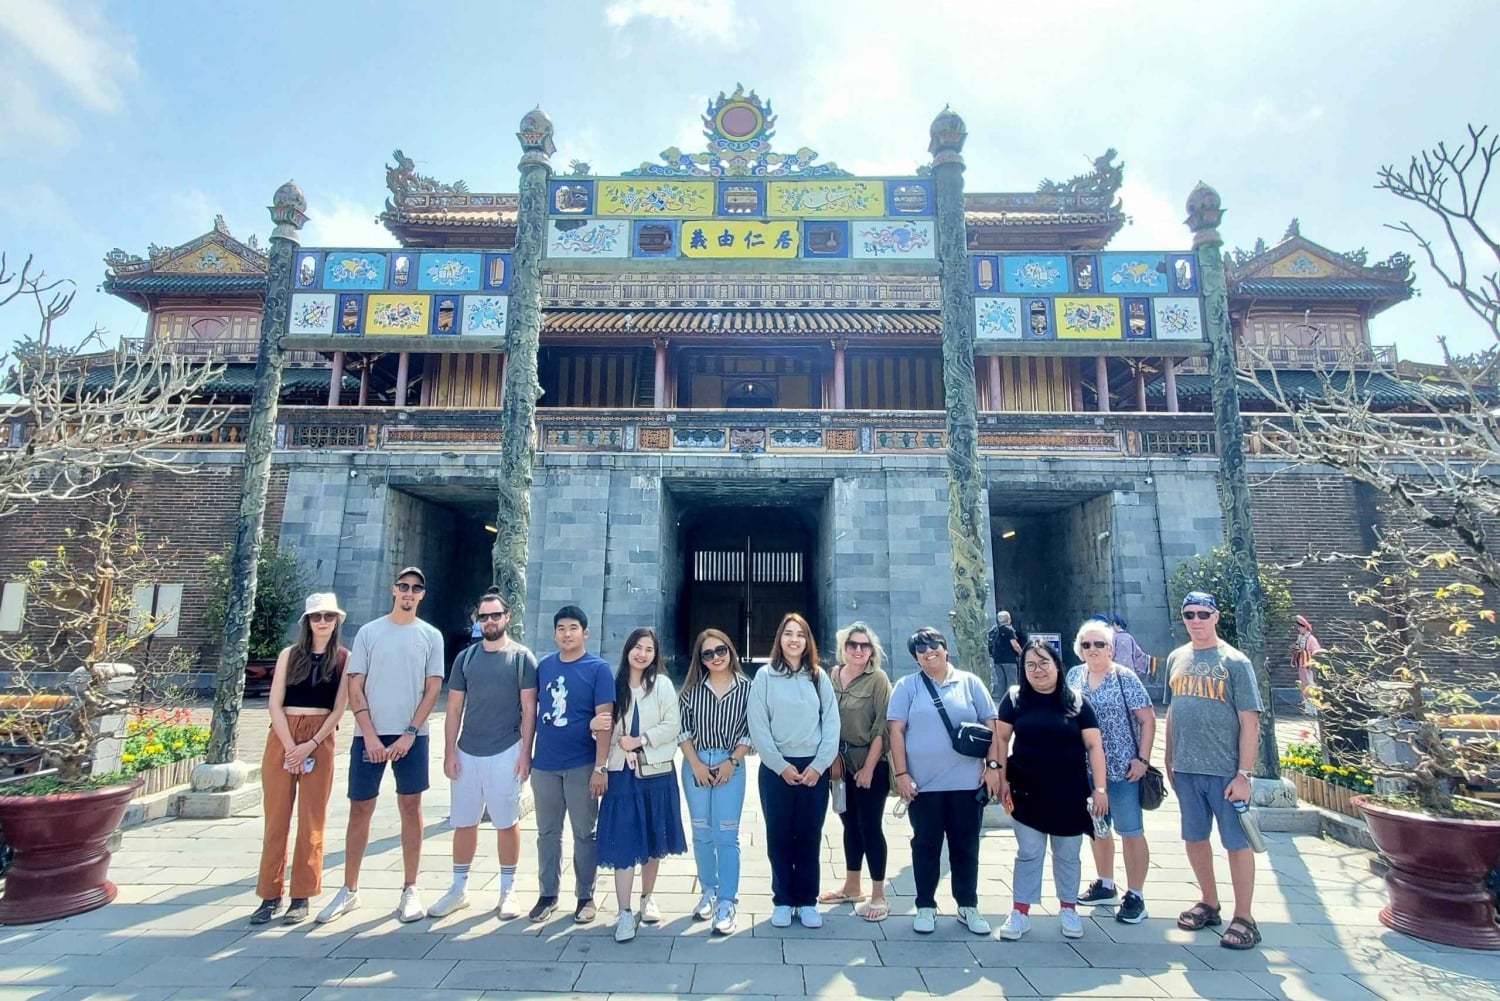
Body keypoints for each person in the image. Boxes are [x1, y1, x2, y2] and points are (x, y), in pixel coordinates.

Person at [317, 567, 445, 925]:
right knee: (360, 808)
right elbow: (355, 684)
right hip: (368, 734)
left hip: (412, 736)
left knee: (410, 805)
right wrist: (369, 733)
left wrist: (409, 733)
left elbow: (432, 688)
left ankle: (410, 887)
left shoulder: (430, 635)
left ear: (422, 595)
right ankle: (349, 888)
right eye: (403, 586)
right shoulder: (370, 633)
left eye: (416, 588)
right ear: (394, 589)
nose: (408, 593)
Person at [428, 592, 537, 921]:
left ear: (507, 616)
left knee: (507, 822)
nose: (489, 621)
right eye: (483, 617)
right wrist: (449, 752)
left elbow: (529, 710)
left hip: (507, 749)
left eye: (495, 615)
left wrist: (526, 753)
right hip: (468, 751)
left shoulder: (522, 658)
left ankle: (508, 889)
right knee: (464, 822)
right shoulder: (466, 659)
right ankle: (458, 888)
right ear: (477, 619)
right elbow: (454, 708)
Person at [887, 626, 1002, 936]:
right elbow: (895, 731)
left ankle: (968, 904)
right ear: (915, 658)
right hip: (924, 786)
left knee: (966, 846)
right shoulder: (907, 686)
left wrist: (994, 767)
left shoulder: (970, 683)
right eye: (920, 650)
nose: (928, 652)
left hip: (967, 783)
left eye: (933, 645)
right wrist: (901, 774)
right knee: (925, 845)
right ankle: (925, 905)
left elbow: (991, 725)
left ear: (945, 647)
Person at [1165, 591, 1264, 951]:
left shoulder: (1235, 662)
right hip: (1187, 768)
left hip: (1225, 770)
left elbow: (1249, 720)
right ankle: (1209, 901)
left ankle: (1245, 916)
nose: (1195, 621)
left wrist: (1244, 774)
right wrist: (1168, 756)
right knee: (1194, 838)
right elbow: (1174, 709)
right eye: (1188, 614)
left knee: (1236, 843)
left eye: (1202, 614)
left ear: (1215, 616)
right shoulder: (1177, 657)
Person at [995, 639, 1109, 941]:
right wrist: (999, 776)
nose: (1038, 670)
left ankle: (1068, 908)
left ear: (1057, 665)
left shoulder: (1076, 701)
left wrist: (1100, 788)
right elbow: (1001, 740)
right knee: (1029, 852)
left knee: (1068, 854)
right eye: (1030, 665)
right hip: (1026, 790)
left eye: (1044, 662)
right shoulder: (1015, 698)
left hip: (1069, 792)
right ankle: (1020, 911)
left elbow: (1094, 745)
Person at [252, 593, 351, 925]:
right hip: (283, 734)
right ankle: (269, 894)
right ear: (307, 622)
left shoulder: (342, 658)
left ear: (336, 621)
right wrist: (289, 744)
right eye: (316, 616)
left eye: (328, 616)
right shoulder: (288, 655)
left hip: (318, 737)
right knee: (276, 817)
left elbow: (339, 708)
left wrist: (309, 744)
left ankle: (302, 894)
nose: (322, 622)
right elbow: (274, 703)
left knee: (312, 819)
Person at [747, 612, 840, 929]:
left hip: (814, 768)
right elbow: (758, 726)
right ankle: (783, 899)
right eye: (788, 633)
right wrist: (780, 765)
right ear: (779, 639)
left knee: (810, 836)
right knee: (779, 835)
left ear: (807, 641)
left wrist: (818, 765)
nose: (794, 639)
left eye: (800, 634)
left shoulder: (818, 676)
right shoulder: (764, 677)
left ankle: (807, 900)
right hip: (777, 769)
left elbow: (831, 724)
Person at [593, 627, 687, 942]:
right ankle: (623, 912)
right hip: (621, 773)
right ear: (628, 649)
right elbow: (602, 725)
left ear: (655, 654)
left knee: (652, 836)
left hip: (655, 772)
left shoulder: (661, 684)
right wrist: (597, 733)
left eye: (649, 649)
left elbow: (672, 724)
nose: (642, 654)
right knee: (623, 842)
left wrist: (640, 741)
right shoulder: (612, 683)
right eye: (637, 647)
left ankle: (647, 897)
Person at [528, 605, 615, 924]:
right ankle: (547, 894)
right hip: (546, 763)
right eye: (561, 628)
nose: (567, 634)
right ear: (554, 634)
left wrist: (600, 766)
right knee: (547, 831)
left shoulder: (598, 669)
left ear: (585, 632)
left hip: (581, 763)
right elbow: (531, 712)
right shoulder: (544, 667)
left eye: (573, 628)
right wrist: (527, 757)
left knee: (584, 832)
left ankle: (585, 895)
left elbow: (605, 721)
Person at [1067, 620, 1156, 924]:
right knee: (1097, 828)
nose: (1093, 650)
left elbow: (1147, 719)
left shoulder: (1124, 678)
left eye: (1099, 644)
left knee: (1130, 831)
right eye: (1087, 645)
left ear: (1111, 648)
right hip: (1085, 771)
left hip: (1122, 768)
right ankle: (1105, 882)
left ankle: (1136, 894)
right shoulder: (1074, 676)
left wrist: (1142, 759)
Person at [678, 629, 753, 936]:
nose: (716, 657)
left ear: (730, 650)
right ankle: (708, 890)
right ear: (701, 659)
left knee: (726, 834)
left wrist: (731, 762)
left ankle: (727, 901)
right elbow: (682, 729)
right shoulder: (692, 689)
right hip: (695, 762)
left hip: (729, 764)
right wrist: (695, 763)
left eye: (720, 650)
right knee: (701, 831)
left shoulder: (747, 689)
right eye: (707, 654)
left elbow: (751, 730)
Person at [819, 622, 894, 922]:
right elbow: (823, 719)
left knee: (870, 825)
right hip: (839, 764)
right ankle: (852, 885)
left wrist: (869, 767)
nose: (858, 650)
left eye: (864, 646)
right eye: (853, 645)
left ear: (872, 650)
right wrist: (830, 757)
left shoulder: (877, 679)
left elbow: (882, 726)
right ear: (843, 647)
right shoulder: (832, 676)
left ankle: (878, 893)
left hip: (870, 762)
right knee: (849, 824)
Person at [1291, 615, 1323, 715]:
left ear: (1305, 627)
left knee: (1311, 686)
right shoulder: (1300, 638)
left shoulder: (1311, 639)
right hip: (1302, 666)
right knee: (1304, 687)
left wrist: (1304, 652)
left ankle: (1314, 708)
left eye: (1300, 627)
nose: (1299, 629)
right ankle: (1307, 708)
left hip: (1309, 668)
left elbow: (1316, 652)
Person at [987, 611, 1022, 698]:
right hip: (1009, 660)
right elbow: (1014, 645)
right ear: (1009, 619)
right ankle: (1013, 700)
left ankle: (1001, 701)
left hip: (997, 660)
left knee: (1001, 682)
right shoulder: (1009, 630)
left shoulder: (993, 630)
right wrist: (1022, 653)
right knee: (1012, 681)